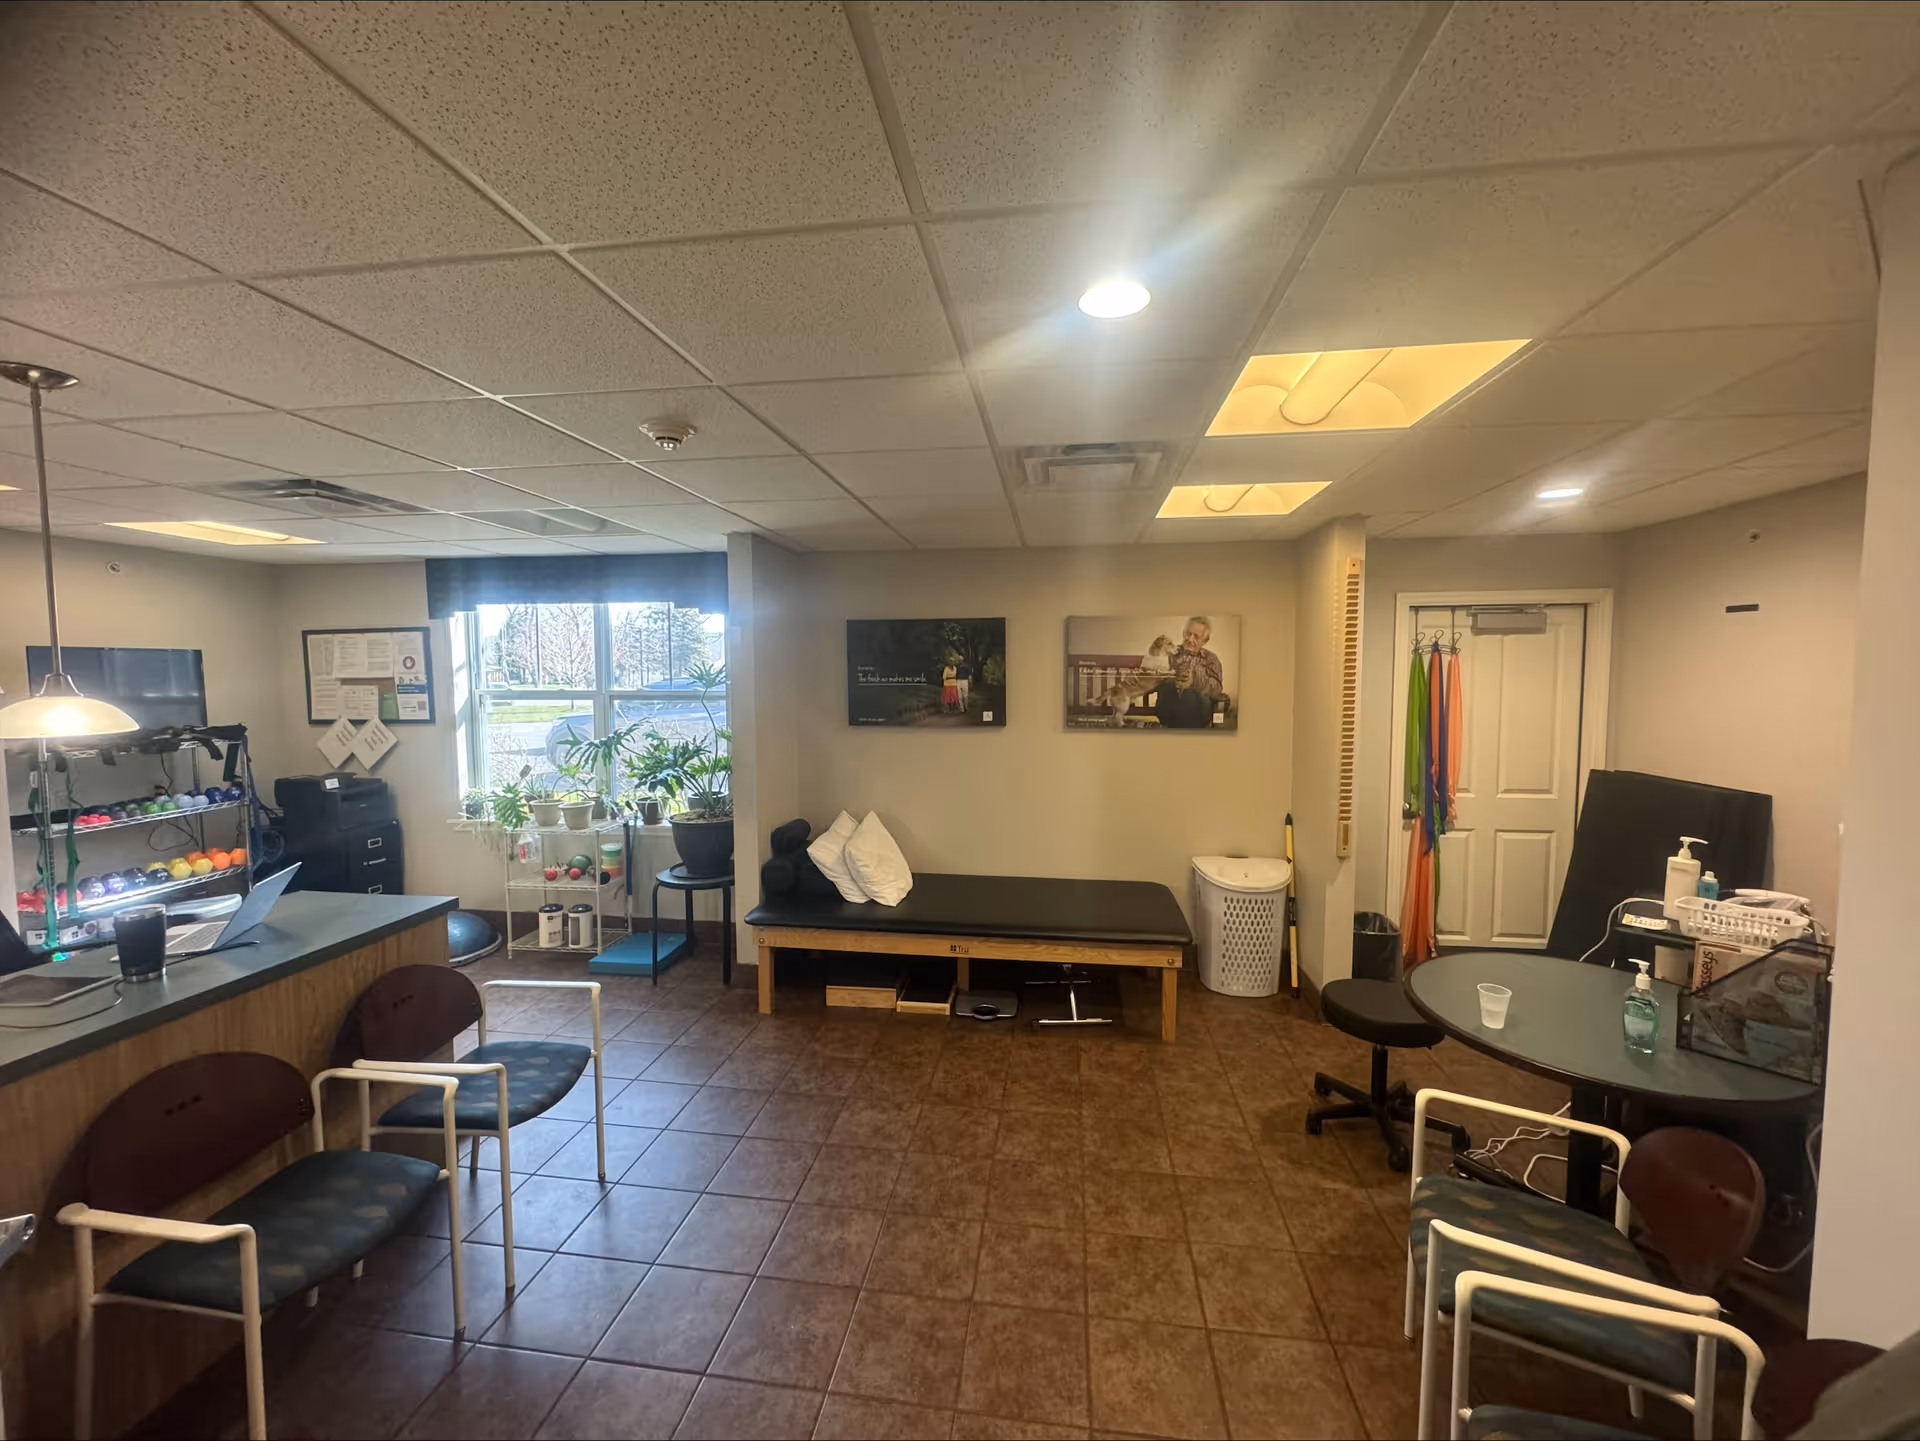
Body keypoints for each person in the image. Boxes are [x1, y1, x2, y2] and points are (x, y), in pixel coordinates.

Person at [1155, 615, 1225, 728]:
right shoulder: (1171, 653)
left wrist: (1196, 676)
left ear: (1205, 640)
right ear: (1183, 632)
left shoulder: (1211, 659)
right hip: (1169, 705)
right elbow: (1157, 677)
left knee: (1191, 695)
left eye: (1196, 636)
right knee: (1170, 688)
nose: (1190, 639)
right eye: (1188, 633)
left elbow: (1216, 688)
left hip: (1197, 710)